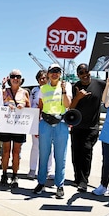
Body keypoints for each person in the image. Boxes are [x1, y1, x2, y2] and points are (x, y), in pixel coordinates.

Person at [33, 63, 72, 199]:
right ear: (48, 74)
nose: (55, 74)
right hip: (45, 124)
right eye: (52, 71)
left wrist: (63, 91)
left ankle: (59, 185)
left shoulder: (66, 86)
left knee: (60, 156)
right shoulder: (42, 89)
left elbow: (68, 105)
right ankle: (41, 182)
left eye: (57, 71)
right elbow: (40, 107)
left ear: (60, 73)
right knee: (43, 154)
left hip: (61, 124)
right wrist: (36, 126)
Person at [69, 63, 105, 192]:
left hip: (92, 127)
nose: (85, 75)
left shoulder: (100, 84)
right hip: (77, 126)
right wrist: (78, 97)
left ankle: (84, 181)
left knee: (86, 151)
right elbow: (71, 108)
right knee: (76, 153)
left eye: (87, 72)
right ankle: (77, 178)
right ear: (78, 75)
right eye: (82, 73)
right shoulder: (76, 87)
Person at [0, 69, 30, 187]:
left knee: (16, 152)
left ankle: (15, 175)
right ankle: (4, 173)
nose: (15, 79)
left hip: (19, 126)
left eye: (18, 76)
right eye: (13, 76)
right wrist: (6, 104)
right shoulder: (4, 91)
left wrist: (23, 106)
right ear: (9, 79)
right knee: (6, 151)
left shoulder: (25, 93)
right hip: (6, 125)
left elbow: (30, 108)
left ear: (21, 79)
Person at [27, 70, 54, 180]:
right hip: (35, 120)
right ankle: (32, 169)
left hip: (48, 119)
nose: (42, 80)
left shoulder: (52, 89)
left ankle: (48, 170)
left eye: (44, 78)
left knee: (49, 146)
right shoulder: (34, 90)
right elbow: (30, 104)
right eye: (40, 78)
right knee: (35, 146)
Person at [92, 75, 109, 198]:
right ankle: (103, 186)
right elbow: (105, 102)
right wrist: (108, 84)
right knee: (106, 163)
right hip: (108, 136)